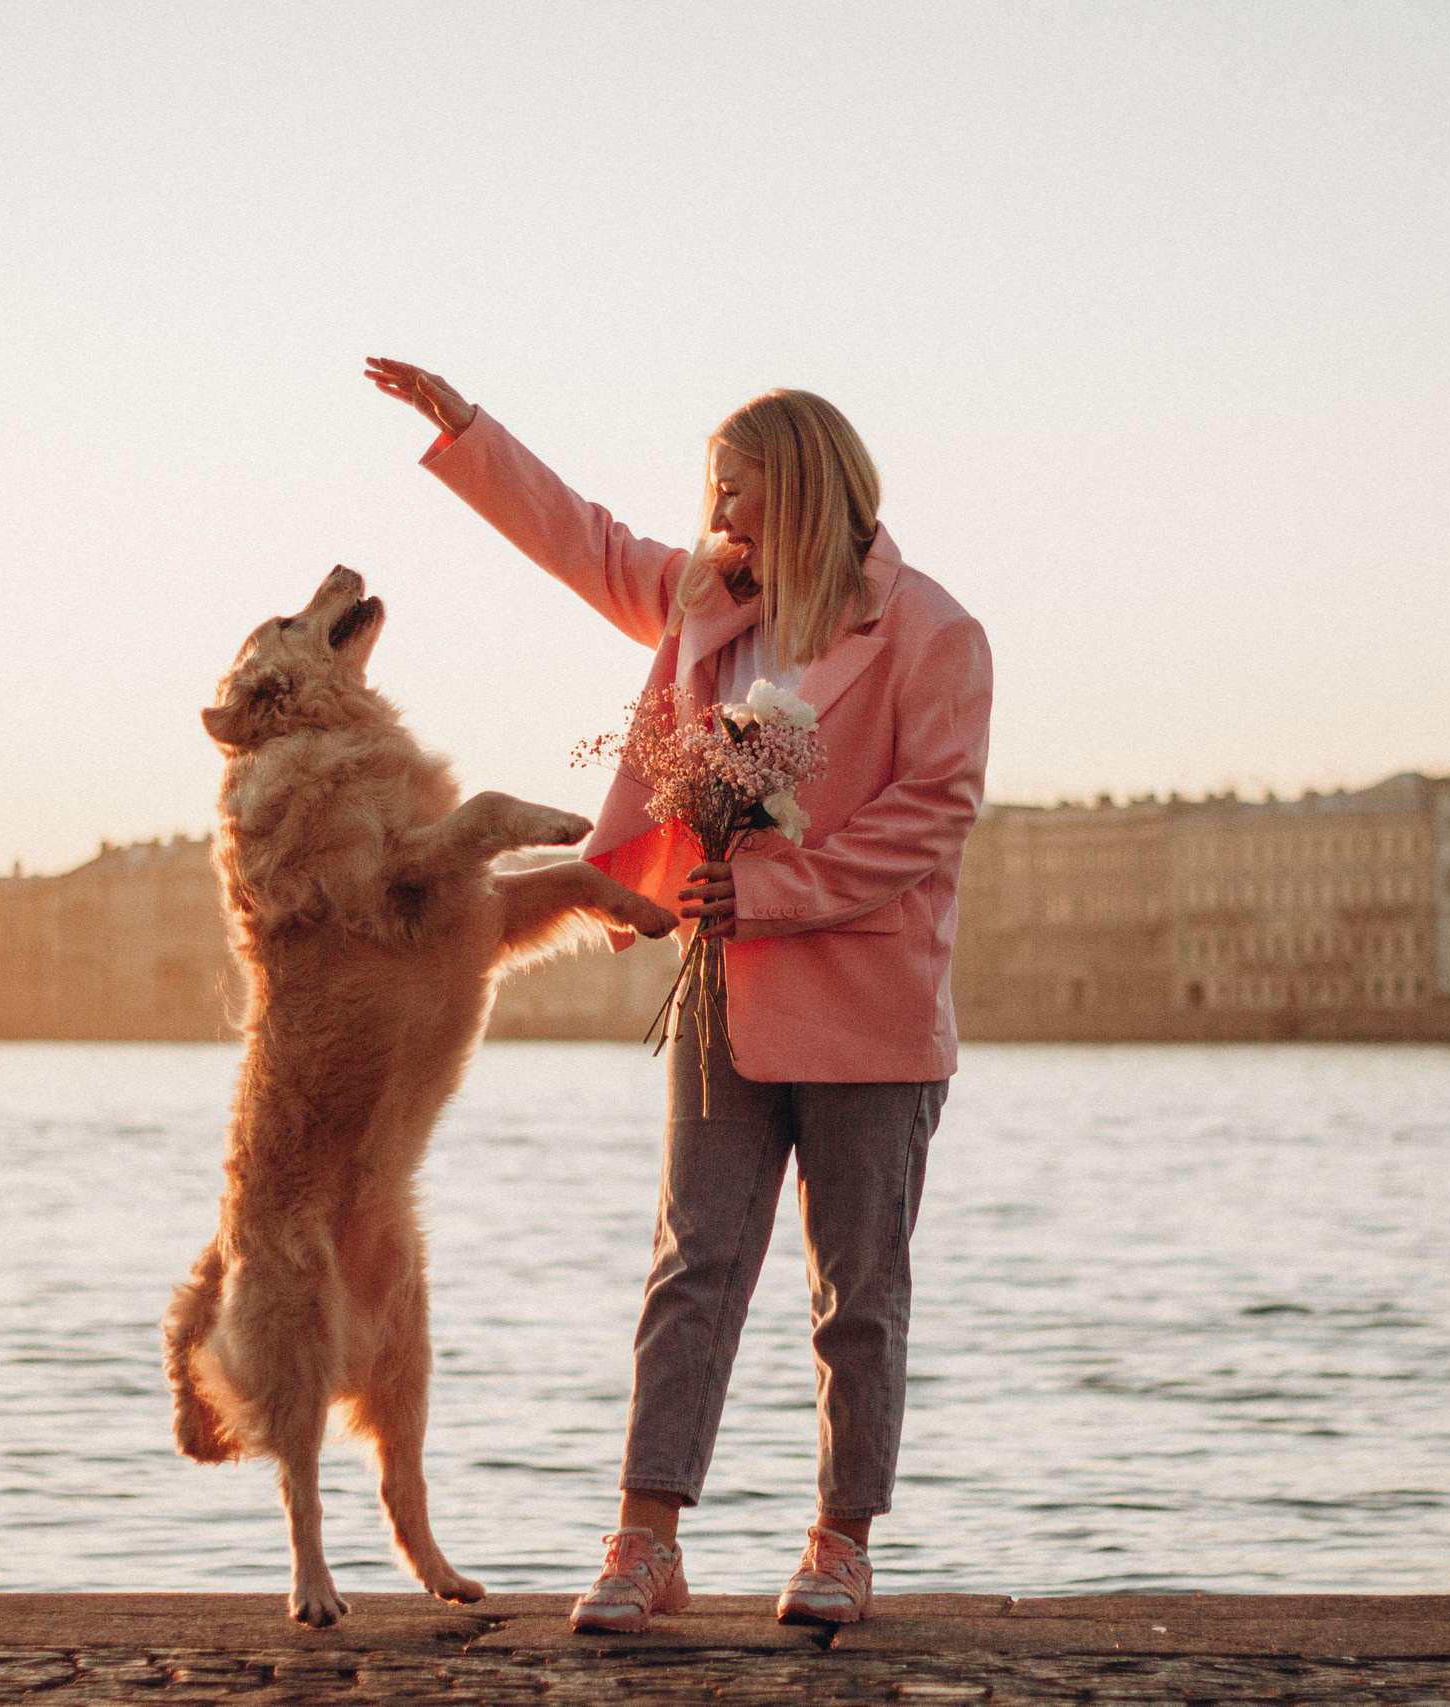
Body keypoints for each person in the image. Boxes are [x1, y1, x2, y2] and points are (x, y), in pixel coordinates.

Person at [366, 358, 992, 1630]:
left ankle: (838, 1545)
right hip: (722, 996)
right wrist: (471, 436)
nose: (715, 512)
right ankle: (644, 1543)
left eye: (735, 488)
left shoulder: (935, 633)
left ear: (805, 490)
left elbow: (932, 819)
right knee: (691, 1267)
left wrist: (771, 893)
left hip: (871, 1013)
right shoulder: (707, 599)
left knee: (855, 1294)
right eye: (711, 489)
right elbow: (585, 543)